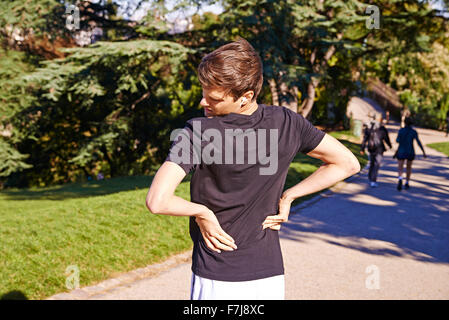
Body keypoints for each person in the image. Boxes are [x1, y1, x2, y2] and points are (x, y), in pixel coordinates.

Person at [145, 38, 360, 300]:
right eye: (203, 92)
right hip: (269, 277)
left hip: (216, 276)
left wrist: (201, 212)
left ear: (245, 97)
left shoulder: (197, 133)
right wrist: (290, 195)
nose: (203, 102)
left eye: (213, 97)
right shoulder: (287, 122)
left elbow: (157, 201)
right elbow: (347, 163)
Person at [395, 116, 427, 191]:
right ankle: (407, 182)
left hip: (401, 151)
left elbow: (397, 140)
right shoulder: (413, 132)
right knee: (408, 167)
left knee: (400, 167)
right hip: (410, 151)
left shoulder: (401, 131)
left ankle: (400, 179)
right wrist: (423, 152)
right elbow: (418, 142)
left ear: (405, 123)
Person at [360, 113, 392, 187]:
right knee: (376, 164)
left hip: (371, 148)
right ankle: (373, 179)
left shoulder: (369, 128)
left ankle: (371, 177)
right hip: (379, 149)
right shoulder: (382, 128)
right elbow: (386, 138)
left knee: (373, 163)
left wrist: (362, 148)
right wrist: (390, 145)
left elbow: (365, 139)